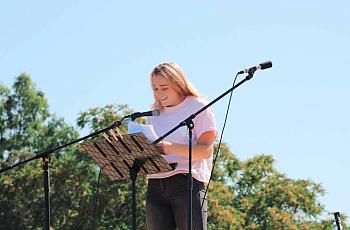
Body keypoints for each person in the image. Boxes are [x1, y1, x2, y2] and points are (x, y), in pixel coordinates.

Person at [145, 62, 217, 230]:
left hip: (186, 184)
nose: (159, 94)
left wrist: (171, 148)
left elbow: (205, 151)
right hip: (155, 185)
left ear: (178, 84)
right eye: (155, 89)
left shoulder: (198, 107)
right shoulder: (153, 114)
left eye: (164, 88)